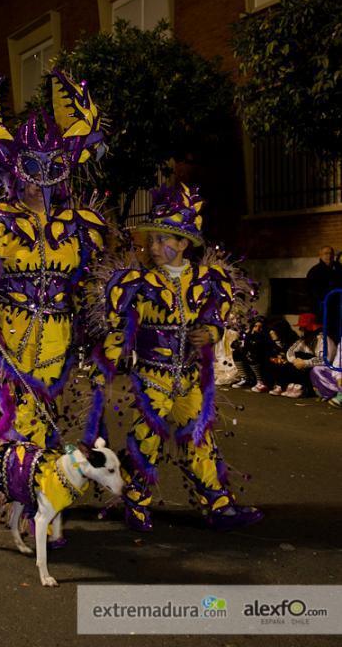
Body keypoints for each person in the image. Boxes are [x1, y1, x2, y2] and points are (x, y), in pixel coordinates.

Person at [0, 64, 107, 470]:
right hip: (10, 330)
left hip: (59, 333)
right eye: (32, 169)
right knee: (24, 410)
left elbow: (88, 283)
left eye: (52, 169)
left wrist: (103, 323)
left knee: (45, 406)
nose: (40, 181)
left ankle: (17, 482)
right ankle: (35, 495)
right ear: (15, 171)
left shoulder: (82, 226)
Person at [89, 183, 263, 532]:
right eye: (151, 240)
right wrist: (104, 368)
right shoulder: (135, 283)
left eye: (162, 240)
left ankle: (218, 503)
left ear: (184, 243)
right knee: (147, 439)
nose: (153, 247)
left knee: (200, 438)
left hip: (190, 377)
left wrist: (211, 334)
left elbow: (216, 319)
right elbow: (118, 330)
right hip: (152, 378)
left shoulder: (208, 280)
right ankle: (136, 502)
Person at [275, 313, 336, 398]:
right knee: (288, 365)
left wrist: (305, 362)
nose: (301, 329)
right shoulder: (304, 339)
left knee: (311, 368)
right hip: (304, 364)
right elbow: (291, 350)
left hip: (323, 369)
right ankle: (286, 385)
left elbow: (326, 359)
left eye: (303, 327)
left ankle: (305, 389)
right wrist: (295, 360)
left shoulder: (324, 340)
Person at [306, 246, 342, 341]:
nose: (329, 256)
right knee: (329, 338)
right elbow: (311, 293)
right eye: (326, 253)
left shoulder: (338, 268)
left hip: (339, 308)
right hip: (324, 311)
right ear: (320, 255)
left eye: (331, 253)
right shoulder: (314, 271)